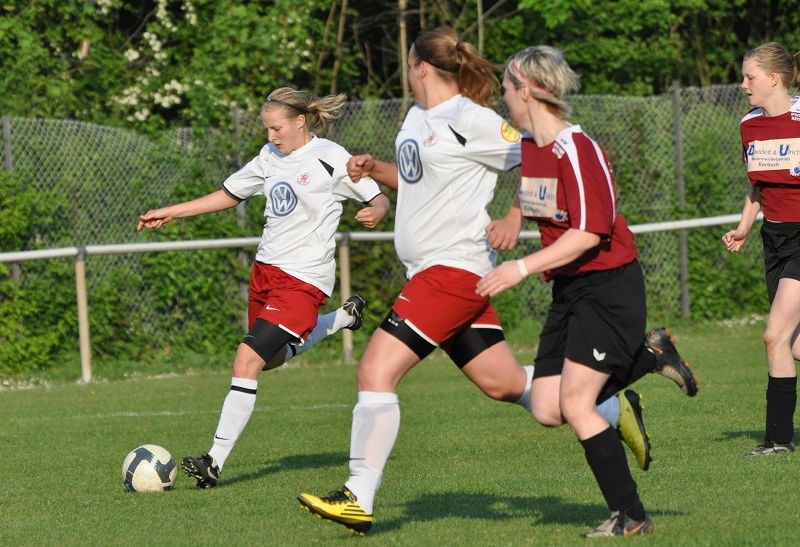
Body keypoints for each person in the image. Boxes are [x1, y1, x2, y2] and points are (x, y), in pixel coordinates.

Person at [296, 28, 694, 536]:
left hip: (455, 271)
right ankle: (616, 398)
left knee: (375, 370)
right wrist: (375, 168)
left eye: (512, 89)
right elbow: (427, 180)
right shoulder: (418, 118)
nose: (505, 99)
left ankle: (358, 496)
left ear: (419, 65)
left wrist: (512, 222)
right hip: (440, 272)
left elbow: (530, 161)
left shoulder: (475, 119)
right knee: (509, 387)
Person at [475, 45, 698, 537]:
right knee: (547, 408)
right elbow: (532, 192)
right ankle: (650, 356)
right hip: (570, 289)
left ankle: (631, 515)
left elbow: (589, 233)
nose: (503, 100)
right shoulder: (533, 145)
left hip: (607, 286)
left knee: (577, 405)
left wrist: (520, 268)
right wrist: (514, 217)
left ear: (528, 91)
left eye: (507, 90)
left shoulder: (578, 149)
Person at [137, 86, 391, 487]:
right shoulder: (269, 157)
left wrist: (375, 210)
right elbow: (228, 194)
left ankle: (213, 462)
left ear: (300, 122)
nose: (271, 136)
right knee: (267, 361)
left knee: (246, 359)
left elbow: (377, 197)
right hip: (265, 274)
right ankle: (341, 319)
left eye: (276, 128)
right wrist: (172, 212)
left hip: (303, 279)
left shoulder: (330, 158)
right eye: (267, 129)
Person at [722, 42, 800, 456]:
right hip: (776, 238)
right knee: (793, 345)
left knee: (774, 336)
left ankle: (777, 441)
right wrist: (744, 227)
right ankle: (779, 440)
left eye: (750, 77)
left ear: (774, 78)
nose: (743, 84)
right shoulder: (749, 124)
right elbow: (759, 184)